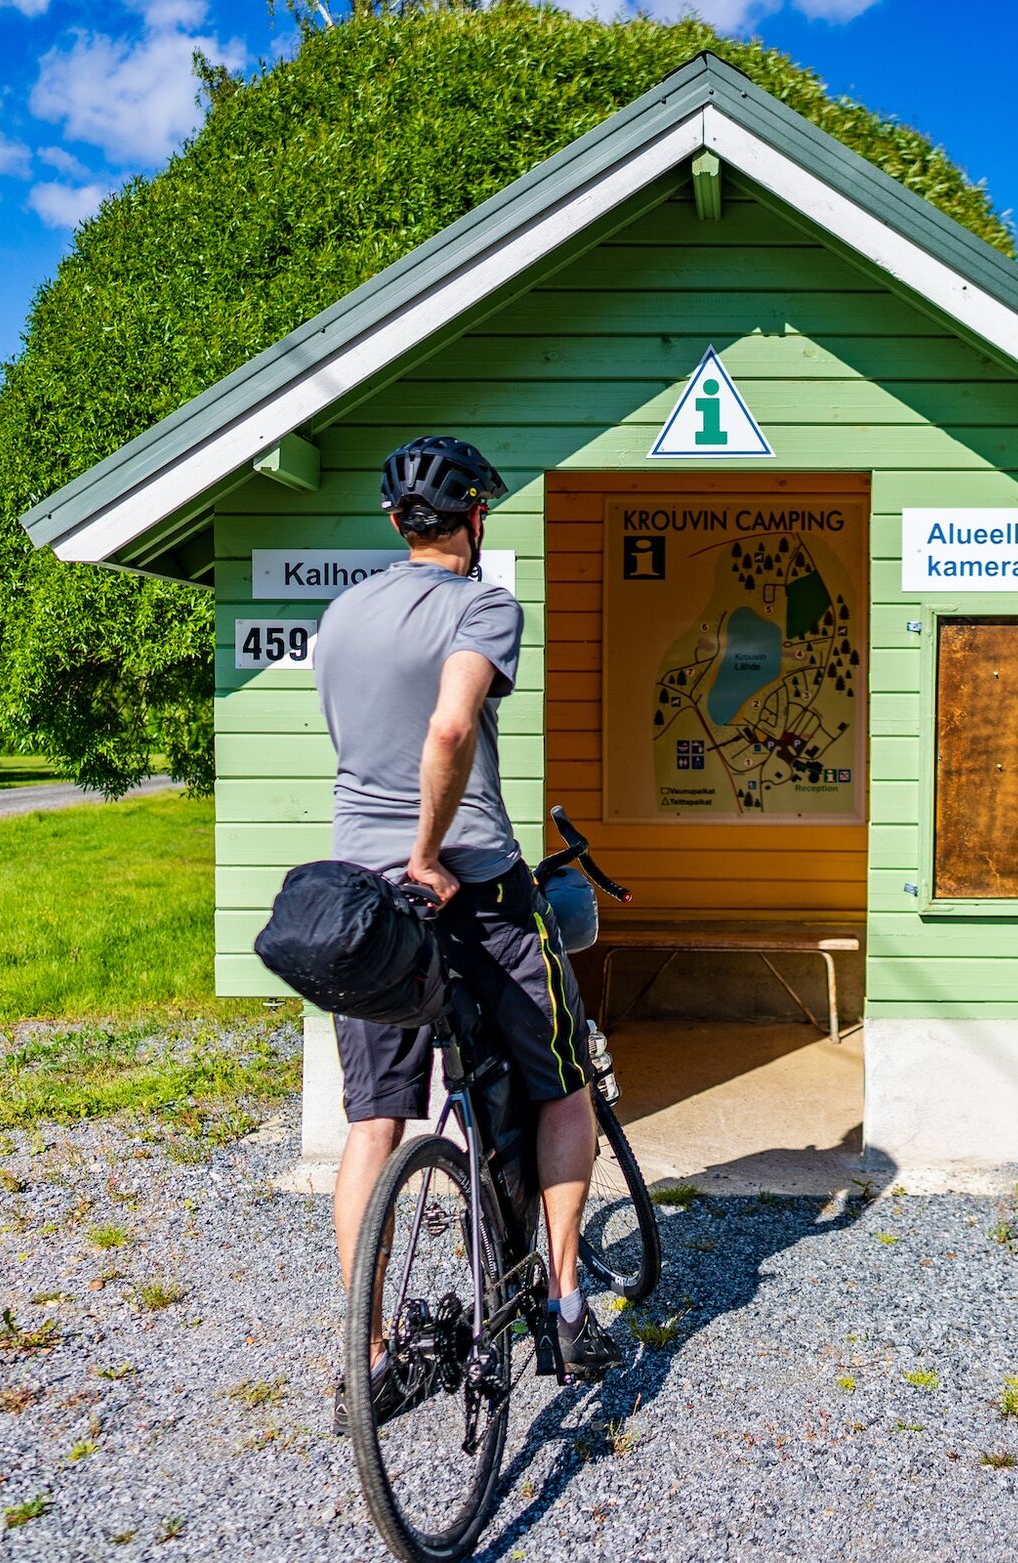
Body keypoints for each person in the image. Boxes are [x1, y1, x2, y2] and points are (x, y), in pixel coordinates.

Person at [315, 435, 622, 1432]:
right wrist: (428, 851)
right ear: (476, 518)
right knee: (561, 1085)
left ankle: (368, 1358)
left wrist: (392, 858)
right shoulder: (483, 605)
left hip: (365, 905)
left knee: (373, 1123)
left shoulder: (341, 616)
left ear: (392, 522)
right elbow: (449, 727)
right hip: (472, 888)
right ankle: (564, 1310)